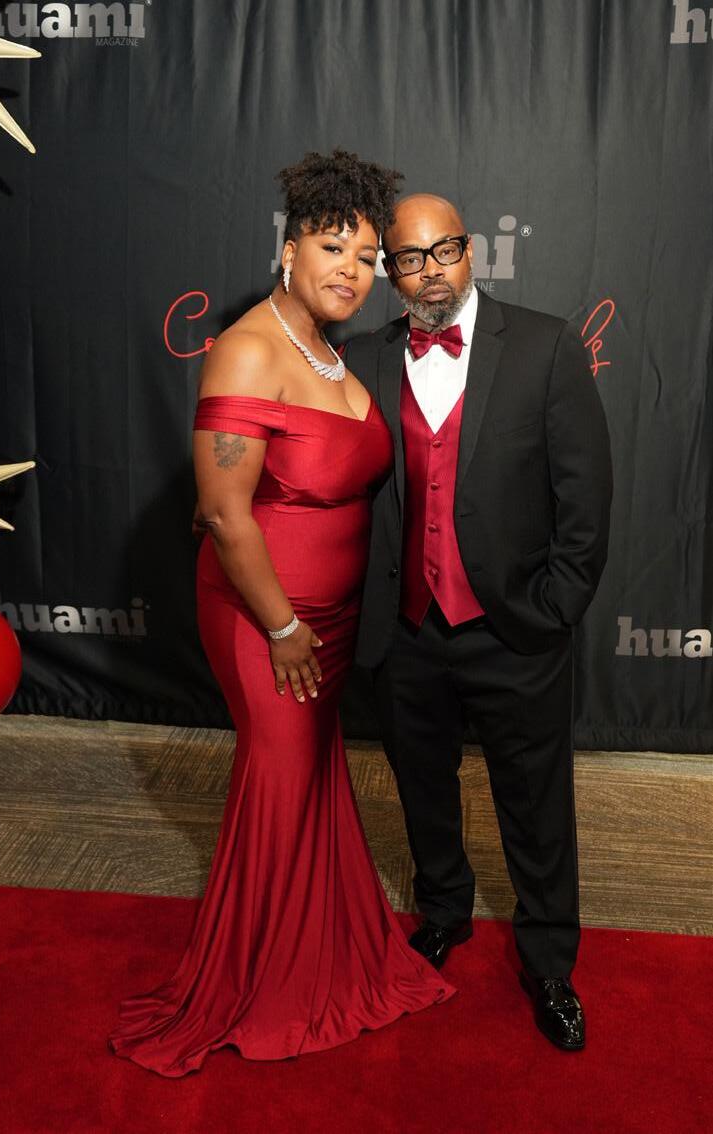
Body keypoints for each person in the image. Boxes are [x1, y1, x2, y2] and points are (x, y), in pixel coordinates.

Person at [108, 155, 454, 1077]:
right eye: (332, 247)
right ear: (289, 247)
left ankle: (324, 951)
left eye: (367, 257)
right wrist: (282, 628)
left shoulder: (333, 353)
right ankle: (263, 981)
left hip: (329, 620)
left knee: (310, 783)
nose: (351, 270)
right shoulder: (248, 348)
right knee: (280, 780)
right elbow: (224, 514)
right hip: (267, 620)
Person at [342, 193, 613, 1052]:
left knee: (535, 804)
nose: (429, 271)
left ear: (470, 253)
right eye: (408, 258)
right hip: (406, 630)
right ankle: (444, 912)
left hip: (514, 630)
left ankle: (548, 961)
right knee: (422, 787)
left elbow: (584, 498)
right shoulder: (363, 358)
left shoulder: (544, 346)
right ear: (389, 272)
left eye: (444, 250)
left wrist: (553, 609)